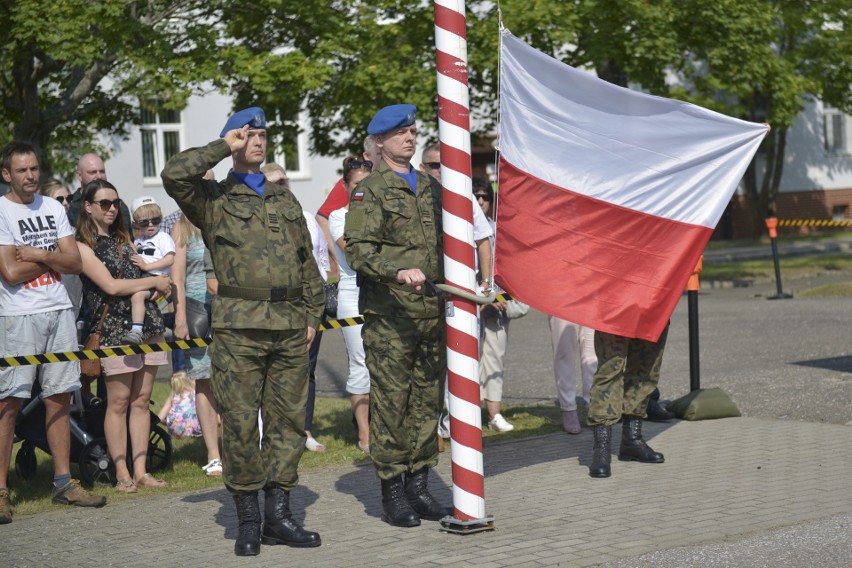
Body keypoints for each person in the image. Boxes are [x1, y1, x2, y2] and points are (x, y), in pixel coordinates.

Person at [162, 107, 325, 555]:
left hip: (290, 326)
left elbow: (305, 262)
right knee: (237, 423)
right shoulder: (212, 198)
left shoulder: (284, 198)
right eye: (247, 135)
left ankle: (279, 515)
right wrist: (221, 146)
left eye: (261, 134)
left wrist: (313, 314)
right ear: (234, 141)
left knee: (288, 424)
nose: (257, 140)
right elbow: (174, 174)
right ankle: (248, 519)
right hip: (239, 329)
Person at [344, 103, 450, 528]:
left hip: (430, 313)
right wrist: (396, 270)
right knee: (392, 405)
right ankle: (391, 491)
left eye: (412, 131)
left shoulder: (430, 187)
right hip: (391, 317)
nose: (409, 137)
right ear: (379, 142)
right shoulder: (370, 191)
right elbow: (357, 251)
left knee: (426, 401)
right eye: (400, 133)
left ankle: (419, 485)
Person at [0, 141, 107, 524]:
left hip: (59, 310)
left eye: (34, 168)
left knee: (60, 397)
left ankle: (63, 482)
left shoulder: (51, 208)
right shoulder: (1, 210)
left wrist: (39, 254)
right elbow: (9, 272)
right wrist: (52, 256)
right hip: (17, 315)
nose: (31, 175)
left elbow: (73, 261)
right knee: (9, 401)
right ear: (6, 174)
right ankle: (1, 490)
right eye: (22, 170)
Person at [76, 179, 172, 493]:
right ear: (87, 207)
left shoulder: (124, 238)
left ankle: (142, 470)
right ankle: (121, 472)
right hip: (115, 331)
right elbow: (112, 287)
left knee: (142, 401)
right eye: (104, 203)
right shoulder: (82, 246)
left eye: (115, 202)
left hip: (149, 328)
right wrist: (152, 284)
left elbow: (137, 275)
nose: (112, 208)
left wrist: (160, 283)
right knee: (117, 402)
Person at [420, 148, 495, 444]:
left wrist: (486, 282)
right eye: (435, 165)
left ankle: (455, 425)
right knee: (429, 365)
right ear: (424, 167)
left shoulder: (464, 197)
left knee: (465, 364)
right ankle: (432, 427)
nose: (441, 169)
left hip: (464, 295)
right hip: (426, 294)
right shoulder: (418, 196)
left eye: (446, 164)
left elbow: (483, 240)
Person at [261, 162, 329, 453]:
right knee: (272, 373)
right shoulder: (258, 218)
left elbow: (320, 260)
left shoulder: (305, 217)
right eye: (276, 182)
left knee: (306, 371)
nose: (283, 186)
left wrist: (315, 302)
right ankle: (273, 434)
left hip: (307, 305)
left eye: (285, 181)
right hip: (274, 308)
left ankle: (305, 430)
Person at [328, 157, 373, 454]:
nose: (363, 189)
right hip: (352, 294)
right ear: (346, 186)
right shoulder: (337, 216)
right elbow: (353, 250)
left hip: (382, 293)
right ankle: (365, 434)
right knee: (361, 364)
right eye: (357, 184)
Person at [171, 211, 222, 476]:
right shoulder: (182, 228)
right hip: (198, 310)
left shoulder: (223, 218)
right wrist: (180, 316)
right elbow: (177, 277)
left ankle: (238, 447)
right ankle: (213, 454)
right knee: (204, 380)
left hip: (229, 307)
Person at [588, 324, 669, 478]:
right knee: (609, 370)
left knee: (645, 368)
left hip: (651, 305)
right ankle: (601, 448)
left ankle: (632, 440)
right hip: (617, 307)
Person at [470, 177, 516, 432]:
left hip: (497, 304)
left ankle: (494, 415)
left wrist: (495, 295)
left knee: (494, 359)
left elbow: (505, 265)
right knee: (467, 359)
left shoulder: (496, 228)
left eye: (485, 196)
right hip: (472, 303)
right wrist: (480, 295)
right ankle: (466, 412)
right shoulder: (461, 227)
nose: (480, 201)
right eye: (476, 196)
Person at [315, 135, 381, 281]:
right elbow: (352, 248)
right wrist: (337, 260)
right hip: (353, 285)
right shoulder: (342, 214)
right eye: (379, 155)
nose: (363, 188)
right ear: (367, 156)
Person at [124, 196, 176, 345]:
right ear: (135, 224)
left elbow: (170, 259)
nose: (151, 225)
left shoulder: (163, 237)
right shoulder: (139, 239)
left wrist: (147, 266)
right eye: (144, 223)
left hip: (156, 276)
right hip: (144, 276)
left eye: (156, 220)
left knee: (138, 295)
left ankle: (136, 330)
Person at [38, 179, 83, 316]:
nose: (65, 203)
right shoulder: (37, 234)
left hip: (73, 304)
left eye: (68, 198)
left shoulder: (76, 232)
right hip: (44, 304)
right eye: (59, 199)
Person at [549, 317, 596, 434]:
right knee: (564, 354)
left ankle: (595, 405)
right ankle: (568, 408)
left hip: (593, 300)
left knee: (593, 355)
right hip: (563, 301)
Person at [66, 153, 132, 228]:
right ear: (79, 176)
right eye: (93, 172)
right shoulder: (70, 206)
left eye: (102, 171)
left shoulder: (118, 205)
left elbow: (126, 236)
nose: (99, 176)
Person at [157, 369, 202, 438]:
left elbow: (160, 418)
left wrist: (168, 423)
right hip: (198, 426)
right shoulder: (195, 392)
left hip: (177, 430)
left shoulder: (172, 397)